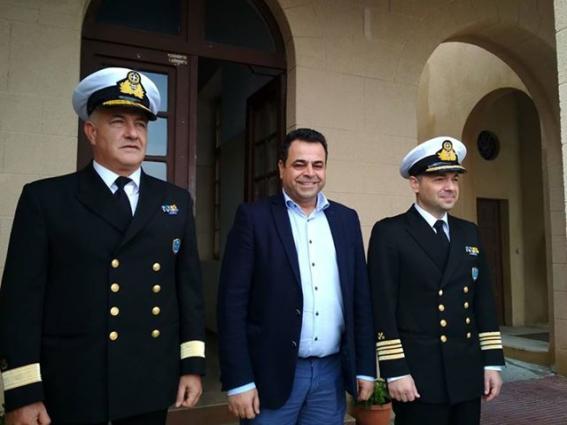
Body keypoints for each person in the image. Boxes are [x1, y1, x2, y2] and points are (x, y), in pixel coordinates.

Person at [0, 67, 206, 425]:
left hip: (147, 383)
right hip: (73, 385)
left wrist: (192, 366)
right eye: (118, 122)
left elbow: (188, 292)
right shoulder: (46, 199)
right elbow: (20, 303)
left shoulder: (174, 201)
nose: (132, 133)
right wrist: (23, 392)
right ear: (91, 132)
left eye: (140, 124)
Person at [217, 128, 376, 424]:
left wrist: (366, 368)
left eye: (318, 165)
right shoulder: (253, 218)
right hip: (270, 376)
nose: (309, 173)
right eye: (299, 164)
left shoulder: (346, 219)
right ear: (281, 168)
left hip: (330, 377)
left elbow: (360, 299)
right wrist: (239, 380)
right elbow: (232, 304)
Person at [367, 136, 505, 425]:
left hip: (466, 373)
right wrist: (395, 370)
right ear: (415, 183)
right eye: (439, 179)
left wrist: (492, 362)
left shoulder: (469, 232)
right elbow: (382, 307)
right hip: (418, 377)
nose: (450, 187)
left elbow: (483, 302)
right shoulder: (390, 233)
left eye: (454, 179)